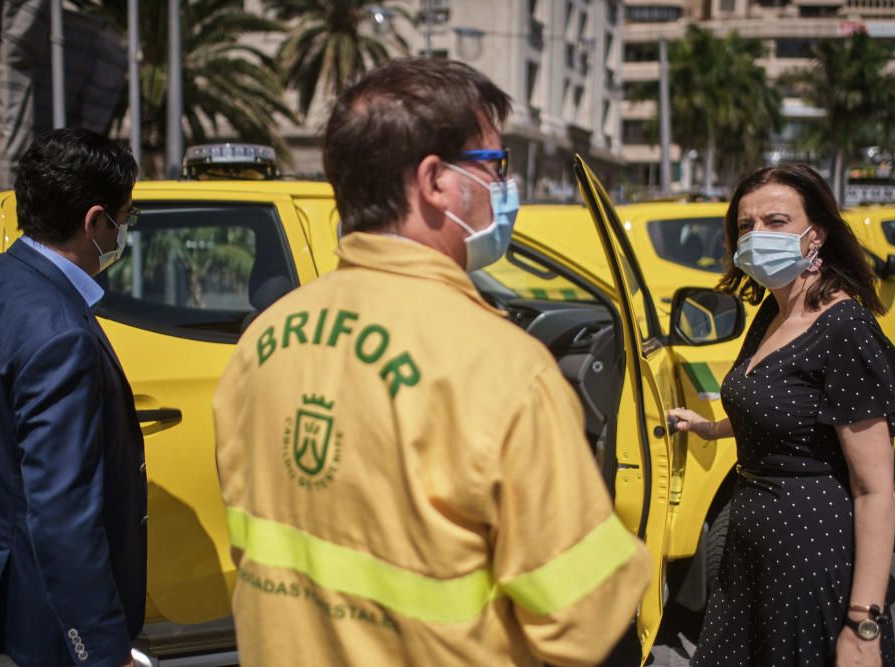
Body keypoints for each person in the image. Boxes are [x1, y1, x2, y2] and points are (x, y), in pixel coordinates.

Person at [213, 57, 651, 666]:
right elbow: (582, 619)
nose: (504, 186)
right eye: (495, 166)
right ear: (435, 182)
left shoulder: (262, 341)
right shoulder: (501, 365)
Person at [670, 164, 895, 666]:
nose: (757, 236)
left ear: (814, 234)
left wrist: (863, 625)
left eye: (775, 221)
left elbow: (876, 490)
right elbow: (781, 409)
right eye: (746, 226)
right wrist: (710, 428)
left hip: (810, 555)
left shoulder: (845, 327)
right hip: (751, 549)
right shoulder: (772, 314)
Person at [0, 129, 146, 667]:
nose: (123, 233)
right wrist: (100, 648)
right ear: (96, 222)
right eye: (124, 218)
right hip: (37, 622)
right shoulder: (60, 330)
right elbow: (63, 514)